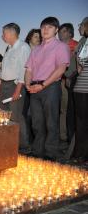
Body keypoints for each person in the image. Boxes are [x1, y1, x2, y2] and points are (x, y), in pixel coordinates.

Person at [25, 17, 70, 161]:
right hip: (34, 87)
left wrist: (43, 85)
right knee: (36, 122)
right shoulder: (36, 49)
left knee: (51, 121)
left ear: (56, 30)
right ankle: (38, 150)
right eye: (43, 27)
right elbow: (29, 69)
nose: (45, 30)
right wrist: (27, 85)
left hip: (50, 86)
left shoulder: (61, 46)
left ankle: (51, 153)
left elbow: (61, 68)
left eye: (50, 27)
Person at [0, 23, 31, 153]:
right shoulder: (9, 48)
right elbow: (4, 68)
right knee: (4, 115)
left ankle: (24, 146)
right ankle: (8, 142)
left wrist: (18, 89)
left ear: (12, 33)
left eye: (4, 33)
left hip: (15, 85)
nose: (2, 36)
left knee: (16, 116)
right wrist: (0, 82)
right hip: (5, 84)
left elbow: (24, 69)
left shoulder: (23, 47)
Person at [72, 20, 88, 164]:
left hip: (83, 86)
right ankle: (81, 154)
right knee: (82, 122)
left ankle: (81, 154)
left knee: (82, 122)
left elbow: (80, 65)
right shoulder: (83, 42)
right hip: (82, 87)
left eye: (81, 25)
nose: (79, 28)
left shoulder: (84, 43)